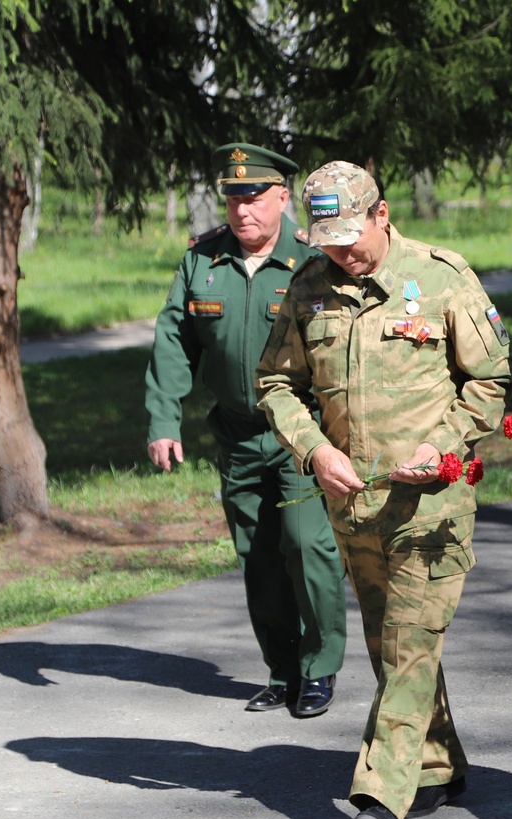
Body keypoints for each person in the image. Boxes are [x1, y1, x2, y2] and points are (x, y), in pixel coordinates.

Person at [256, 161, 512, 819]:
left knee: (407, 643)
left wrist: (443, 443)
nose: (341, 252)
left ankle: (378, 795)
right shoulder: (309, 288)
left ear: (383, 214)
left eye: (351, 236)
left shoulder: (440, 277)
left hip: (432, 505)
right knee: (394, 645)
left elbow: (490, 379)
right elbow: (277, 383)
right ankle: (436, 760)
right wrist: (313, 450)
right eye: (327, 240)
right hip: (356, 506)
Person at [145, 143, 347, 719]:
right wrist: (164, 419)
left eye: (254, 196)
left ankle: (319, 666)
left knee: (306, 543)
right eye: (232, 198)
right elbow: (172, 342)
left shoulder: (313, 259)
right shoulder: (202, 262)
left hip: (302, 435)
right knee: (257, 555)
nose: (242, 210)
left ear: (283, 198)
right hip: (236, 437)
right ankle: (283, 671)